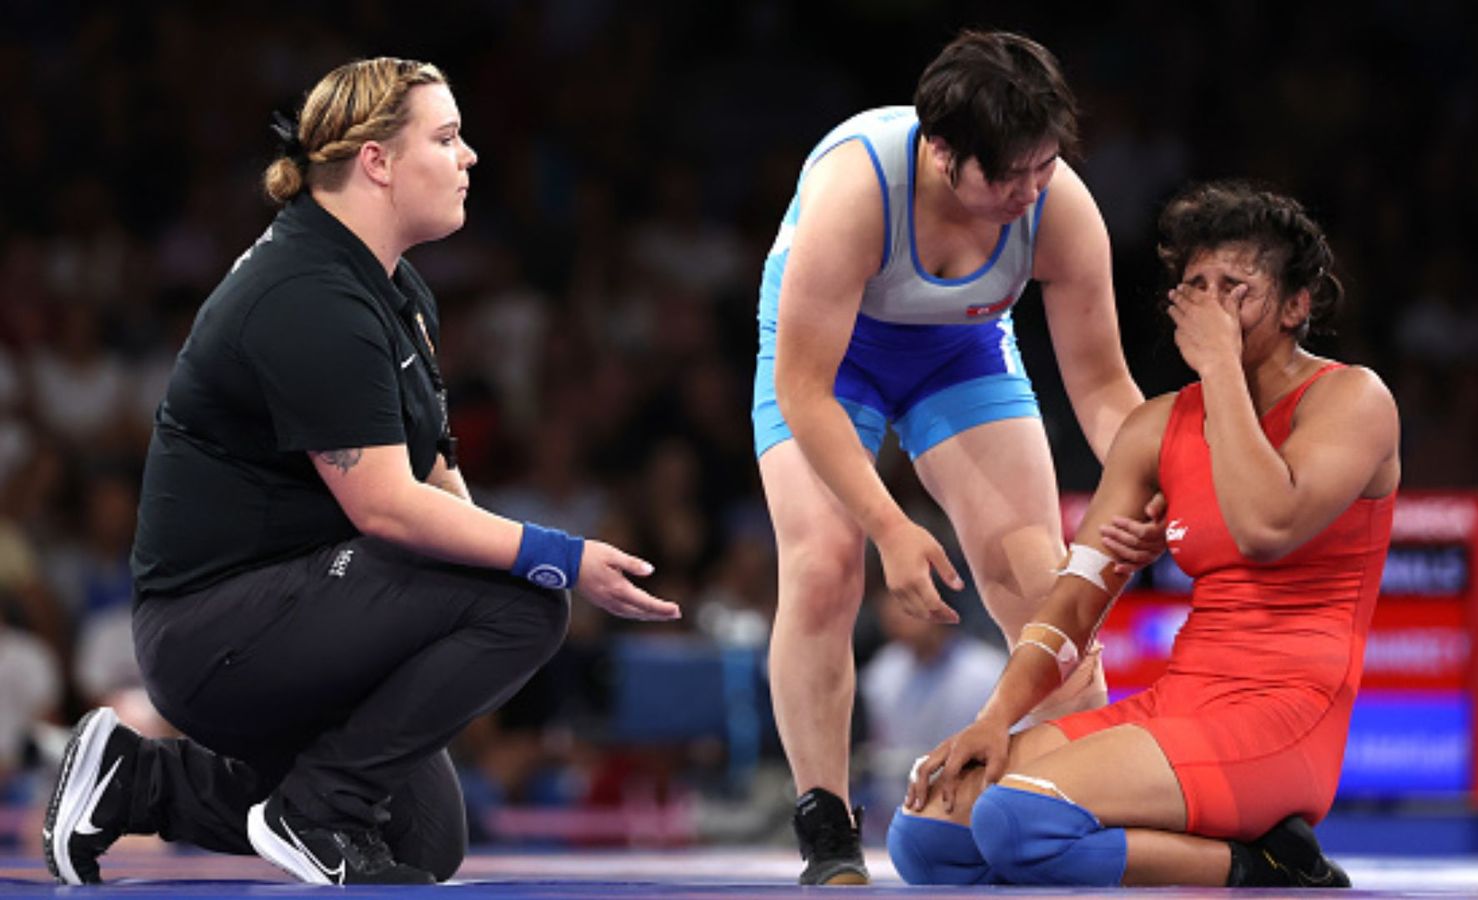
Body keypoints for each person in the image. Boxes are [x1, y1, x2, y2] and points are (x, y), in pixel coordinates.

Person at [41, 57, 679, 887]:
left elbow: (441, 483)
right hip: (215, 633)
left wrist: (484, 585)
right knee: (529, 597)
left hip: (309, 609)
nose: (471, 156)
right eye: (447, 138)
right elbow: (385, 507)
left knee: (422, 844)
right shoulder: (307, 296)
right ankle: (316, 811)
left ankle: (140, 781)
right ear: (376, 161)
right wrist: (560, 555)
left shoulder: (398, 289)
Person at [890, 181, 1399, 888]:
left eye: (1236, 288)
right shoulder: (1158, 426)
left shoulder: (1352, 400)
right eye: (1196, 286)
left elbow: (1265, 527)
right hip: (1184, 699)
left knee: (1017, 822)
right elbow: (1074, 600)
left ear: (1295, 306)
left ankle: (1264, 862)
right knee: (927, 835)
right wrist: (994, 717)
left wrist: (1219, 364)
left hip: (1285, 715)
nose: (1212, 305)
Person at [753, 30, 1160, 884]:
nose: (1027, 191)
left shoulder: (1059, 204)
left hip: (960, 353)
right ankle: (826, 821)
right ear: (940, 152)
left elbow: (1101, 389)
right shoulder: (859, 190)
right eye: (1006, 176)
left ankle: (1074, 797)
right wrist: (893, 527)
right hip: (834, 363)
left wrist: (1169, 480)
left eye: (1041, 167)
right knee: (827, 565)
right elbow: (805, 392)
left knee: (1039, 579)